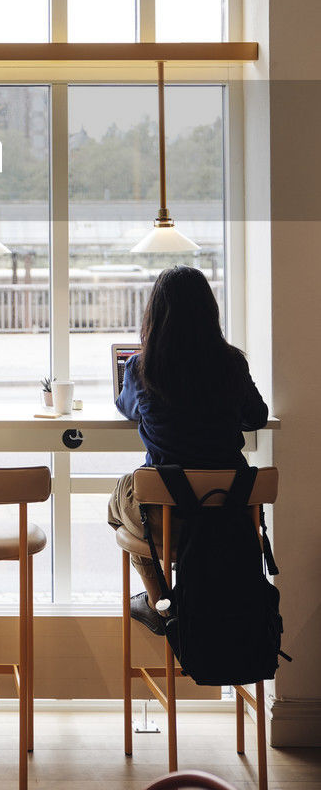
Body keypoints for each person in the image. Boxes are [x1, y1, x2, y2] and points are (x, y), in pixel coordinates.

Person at [107, 264, 268, 636]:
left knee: (120, 500)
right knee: (139, 494)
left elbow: (126, 408)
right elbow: (256, 416)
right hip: (229, 517)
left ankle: (161, 603)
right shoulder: (231, 363)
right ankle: (197, 597)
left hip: (168, 522)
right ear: (209, 313)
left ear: (154, 315)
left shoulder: (141, 367)